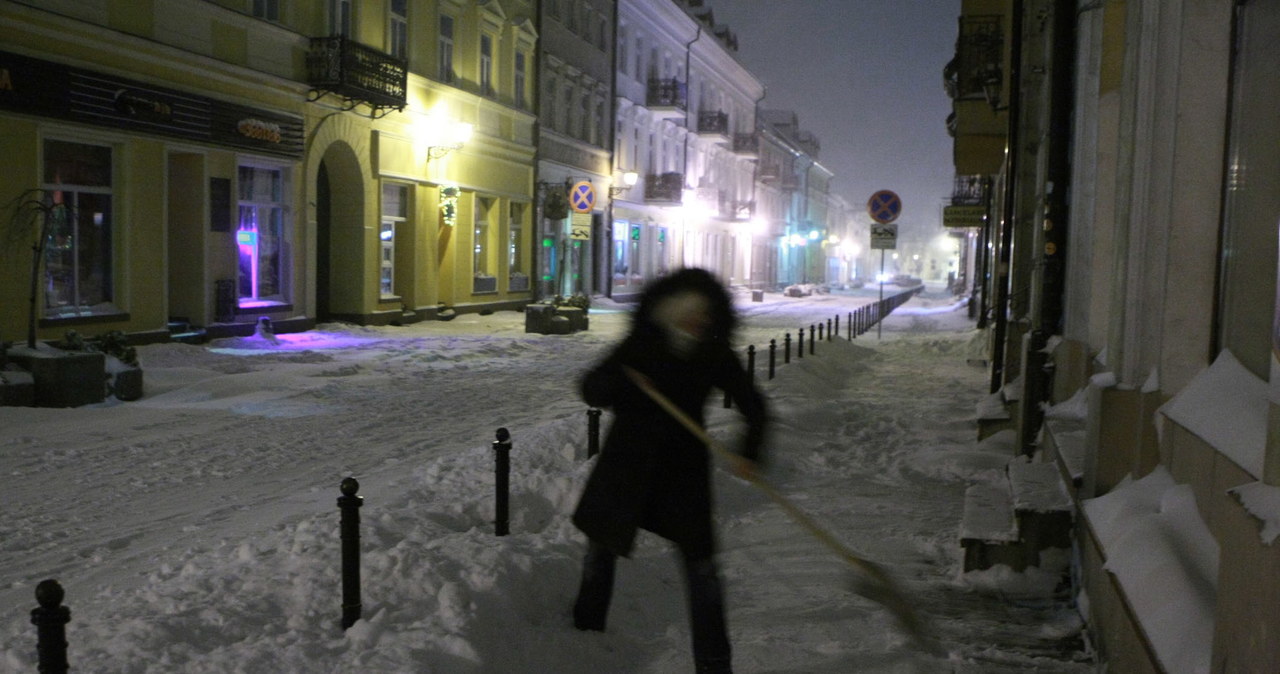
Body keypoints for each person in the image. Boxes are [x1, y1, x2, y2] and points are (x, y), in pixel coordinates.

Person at [570, 267, 768, 674]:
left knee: (702, 568)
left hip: (682, 474)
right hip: (627, 465)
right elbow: (591, 387)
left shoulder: (714, 352)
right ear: (672, 310)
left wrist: (750, 452)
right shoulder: (641, 345)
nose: (699, 321)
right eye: (691, 312)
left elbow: (755, 406)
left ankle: (714, 663)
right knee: (600, 550)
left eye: (706, 314)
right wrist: (624, 384)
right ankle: (583, 634)